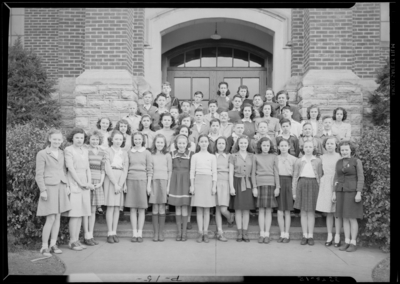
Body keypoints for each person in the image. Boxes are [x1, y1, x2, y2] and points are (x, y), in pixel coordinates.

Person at [35, 129, 71, 256]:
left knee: (58, 217)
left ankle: (53, 244)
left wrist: (66, 185)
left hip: (61, 186)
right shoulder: (42, 153)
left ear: (62, 141)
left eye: (59, 139)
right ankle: (44, 246)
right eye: (54, 139)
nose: (57, 141)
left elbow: (63, 171)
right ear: (49, 139)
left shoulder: (62, 153)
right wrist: (43, 190)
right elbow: (39, 174)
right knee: (50, 217)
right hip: (49, 188)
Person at [63, 128, 93, 251]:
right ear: (72, 138)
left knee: (81, 214)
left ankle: (77, 240)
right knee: (75, 214)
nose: (79, 140)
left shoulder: (85, 150)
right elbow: (70, 168)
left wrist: (89, 182)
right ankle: (72, 241)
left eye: (81, 137)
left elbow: (87, 168)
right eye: (77, 137)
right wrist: (80, 183)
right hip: (74, 182)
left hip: (85, 183)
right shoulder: (68, 150)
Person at [332, 141, 364, 252]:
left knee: (352, 217)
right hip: (340, 192)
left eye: (346, 149)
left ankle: (353, 242)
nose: (344, 152)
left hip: (352, 192)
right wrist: (333, 192)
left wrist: (359, 192)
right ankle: (347, 241)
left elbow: (361, 177)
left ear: (351, 150)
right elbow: (335, 178)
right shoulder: (338, 162)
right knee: (344, 217)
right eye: (342, 150)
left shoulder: (356, 161)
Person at [292, 140, 323, 246]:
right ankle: (304, 235)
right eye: (306, 147)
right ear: (303, 148)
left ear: (313, 148)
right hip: (302, 184)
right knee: (303, 212)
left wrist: (320, 190)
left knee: (311, 212)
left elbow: (320, 176)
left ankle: (311, 235)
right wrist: (294, 192)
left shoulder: (318, 161)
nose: (308, 149)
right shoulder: (299, 161)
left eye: (310, 147)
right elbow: (295, 176)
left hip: (314, 185)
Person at [125, 132, 153, 243]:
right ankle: (134, 233)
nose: (137, 141)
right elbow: (125, 169)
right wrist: (124, 184)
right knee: (132, 208)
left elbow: (149, 169)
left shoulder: (147, 153)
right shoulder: (128, 152)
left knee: (141, 209)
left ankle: (140, 233)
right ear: (133, 140)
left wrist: (149, 185)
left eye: (139, 139)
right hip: (130, 180)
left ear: (143, 140)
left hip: (142, 181)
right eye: (135, 139)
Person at [252, 137, 280, 244]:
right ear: (260, 146)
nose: (266, 147)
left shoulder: (274, 157)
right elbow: (253, 173)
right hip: (260, 185)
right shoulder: (256, 156)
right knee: (261, 211)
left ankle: (267, 234)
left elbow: (276, 172)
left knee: (268, 210)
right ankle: (261, 233)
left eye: (268, 145)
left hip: (271, 184)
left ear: (270, 146)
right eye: (264, 145)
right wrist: (254, 187)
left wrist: (278, 187)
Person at [190, 135, 217, 243]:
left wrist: (214, 186)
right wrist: (192, 185)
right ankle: (200, 232)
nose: (204, 143)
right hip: (198, 181)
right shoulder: (195, 156)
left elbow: (214, 172)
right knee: (199, 209)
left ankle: (205, 232)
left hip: (208, 181)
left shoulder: (212, 157)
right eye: (202, 141)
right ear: (199, 143)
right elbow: (192, 172)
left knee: (207, 209)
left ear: (208, 143)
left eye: (206, 141)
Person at [103, 130, 129, 244]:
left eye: (120, 139)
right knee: (110, 207)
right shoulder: (107, 151)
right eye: (116, 139)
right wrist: (115, 183)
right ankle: (109, 232)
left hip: (120, 179)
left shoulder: (124, 153)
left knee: (117, 207)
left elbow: (125, 168)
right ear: (112, 139)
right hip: (111, 179)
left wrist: (121, 183)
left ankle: (114, 232)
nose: (118, 141)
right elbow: (107, 168)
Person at [229, 136, 256, 242]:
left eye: (245, 143)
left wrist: (254, 187)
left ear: (248, 144)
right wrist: (231, 187)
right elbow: (231, 173)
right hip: (237, 182)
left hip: (248, 182)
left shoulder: (252, 156)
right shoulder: (233, 156)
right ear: (238, 144)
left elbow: (253, 173)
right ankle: (239, 232)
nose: (243, 145)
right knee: (238, 209)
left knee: (246, 209)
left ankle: (245, 232)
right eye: (241, 143)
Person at [316, 137, 342, 246]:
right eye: (327, 143)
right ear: (325, 145)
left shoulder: (339, 157)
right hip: (326, 183)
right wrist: (320, 182)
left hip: (336, 183)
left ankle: (337, 236)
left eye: (332, 143)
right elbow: (318, 172)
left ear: (336, 145)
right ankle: (329, 235)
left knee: (337, 212)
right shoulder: (321, 157)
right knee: (329, 212)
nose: (330, 145)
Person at [168, 134, 194, 241]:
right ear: (176, 144)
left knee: (184, 206)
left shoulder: (191, 154)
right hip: (175, 181)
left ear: (187, 144)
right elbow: (170, 170)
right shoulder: (172, 154)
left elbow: (192, 170)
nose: (181, 145)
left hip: (186, 181)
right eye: (179, 143)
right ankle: (179, 232)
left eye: (183, 143)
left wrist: (192, 185)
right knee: (177, 206)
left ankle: (184, 233)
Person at [85, 130, 107, 246]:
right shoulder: (85, 151)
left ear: (100, 140)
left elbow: (103, 169)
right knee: (86, 210)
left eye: (97, 139)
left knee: (93, 211)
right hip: (87, 182)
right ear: (89, 140)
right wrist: (88, 182)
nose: (94, 141)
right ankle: (86, 235)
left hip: (98, 182)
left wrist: (100, 183)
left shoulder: (102, 152)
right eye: (93, 139)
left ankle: (91, 235)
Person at [149, 134, 172, 242]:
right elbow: (149, 170)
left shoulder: (167, 155)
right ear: (155, 143)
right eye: (158, 142)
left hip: (164, 181)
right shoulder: (151, 155)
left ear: (165, 144)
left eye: (161, 142)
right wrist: (148, 185)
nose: (159, 144)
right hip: (154, 181)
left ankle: (161, 232)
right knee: (155, 208)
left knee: (162, 207)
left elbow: (170, 171)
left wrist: (168, 186)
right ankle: (155, 233)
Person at [276, 139, 297, 243]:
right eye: (281, 145)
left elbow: (295, 175)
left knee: (287, 211)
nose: (283, 147)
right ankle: (282, 233)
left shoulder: (294, 159)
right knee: (280, 211)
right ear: (278, 147)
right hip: (279, 183)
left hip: (289, 183)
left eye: (285, 145)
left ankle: (287, 234)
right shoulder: (276, 159)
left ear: (289, 147)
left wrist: (294, 190)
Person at [213, 136, 235, 242]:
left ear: (226, 145)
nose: (221, 145)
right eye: (219, 143)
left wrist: (231, 187)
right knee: (217, 209)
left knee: (223, 209)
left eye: (223, 143)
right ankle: (220, 232)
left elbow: (231, 172)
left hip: (225, 183)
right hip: (214, 183)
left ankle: (230, 217)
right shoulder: (213, 156)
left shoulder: (229, 156)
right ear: (216, 145)